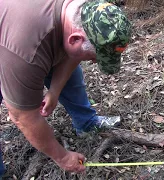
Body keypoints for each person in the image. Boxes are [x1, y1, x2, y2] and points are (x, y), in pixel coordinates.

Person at [0, 0, 132, 177]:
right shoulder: (26, 53)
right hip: (11, 45)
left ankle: (86, 124)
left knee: (73, 61)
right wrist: (62, 157)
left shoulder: (80, 13)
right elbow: (23, 117)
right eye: (94, 56)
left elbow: (73, 54)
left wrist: (54, 91)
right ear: (75, 39)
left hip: (29, 38)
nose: (94, 62)